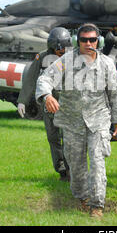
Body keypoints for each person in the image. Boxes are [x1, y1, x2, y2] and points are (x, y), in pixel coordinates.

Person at [36, 23, 117, 219]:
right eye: (84, 40)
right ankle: (83, 198)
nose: (88, 43)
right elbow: (45, 79)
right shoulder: (66, 61)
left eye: (92, 39)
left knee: (98, 163)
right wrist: (47, 96)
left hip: (99, 121)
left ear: (98, 41)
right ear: (77, 41)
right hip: (72, 122)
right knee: (76, 165)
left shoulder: (107, 64)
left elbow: (115, 94)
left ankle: (97, 205)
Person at [17, 27, 72, 181]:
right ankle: (61, 169)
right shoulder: (41, 58)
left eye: (61, 49)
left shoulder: (74, 57)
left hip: (68, 104)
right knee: (53, 138)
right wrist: (22, 101)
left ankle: (71, 168)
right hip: (49, 105)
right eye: (56, 49)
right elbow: (30, 79)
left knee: (69, 138)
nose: (59, 52)